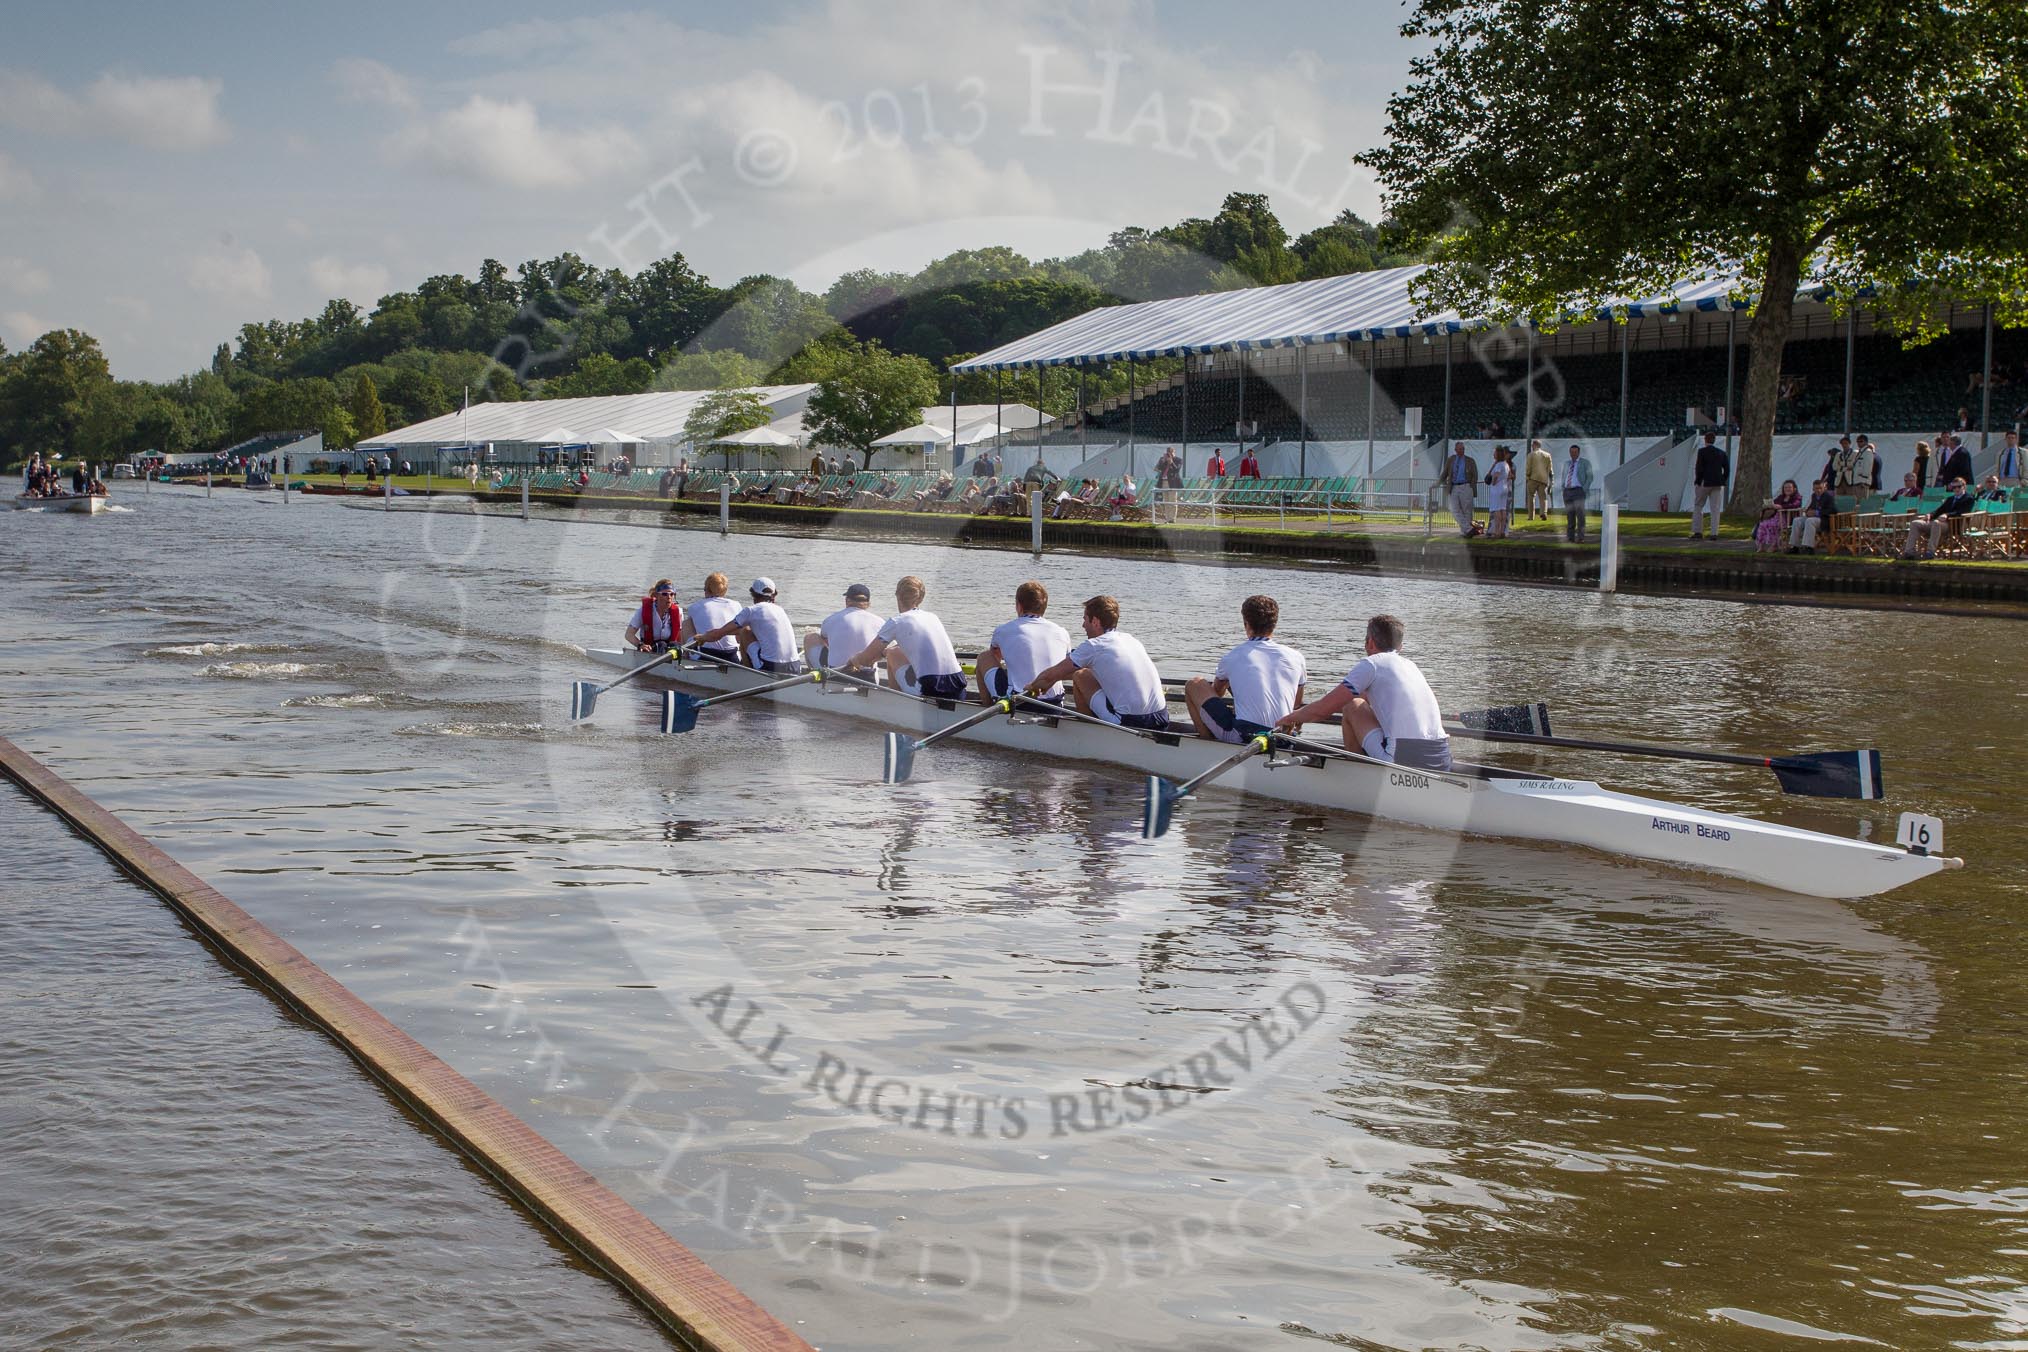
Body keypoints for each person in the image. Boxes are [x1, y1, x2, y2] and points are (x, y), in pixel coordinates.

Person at [1276, 614, 1451, 771]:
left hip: (1402, 759)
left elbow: (1324, 709)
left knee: (1351, 706)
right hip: (1442, 756)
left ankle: (1355, 772)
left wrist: (1291, 718)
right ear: (1400, 646)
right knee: (1360, 703)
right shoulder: (1411, 666)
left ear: (1370, 642)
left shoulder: (1371, 664)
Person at [1023, 595, 1169, 729]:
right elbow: (1059, 675)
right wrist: (1049, 680)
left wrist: (1033, 686)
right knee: (1085, 673)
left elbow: (1052, 675)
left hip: (1131, 722)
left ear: (1095, 622)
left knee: (1080, 676)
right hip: (1162, 717)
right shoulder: (1131, 640)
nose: (1083, 625)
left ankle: (1087, 731)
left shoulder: (1094, 646)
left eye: (1085, 619)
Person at [1185, 595, 1305, 743]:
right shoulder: (1296, 657)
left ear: (1246, 624)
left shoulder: (1232, 656)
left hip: (1246, 736)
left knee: (1194, 684)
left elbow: (1216, 693)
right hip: (1282, 736)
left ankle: (1205, 743)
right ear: (1274, 624)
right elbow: (1296, 702)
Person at [845, 575, 965, 699]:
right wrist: (881, 653)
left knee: (892, 653)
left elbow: (865, 659)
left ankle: (896, 702)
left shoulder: (896, 622)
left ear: (897, 596)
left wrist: (854, 660)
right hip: (958, 685)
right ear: (921, 598)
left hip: (931, 689)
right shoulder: (932, 617)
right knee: (894, 650)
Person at [975, 580, 1072, 705]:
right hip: (1055, 704)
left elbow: (996, 658)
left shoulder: (1002, 630)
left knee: (984, 657)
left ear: (1019, 606)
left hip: (1019, 703)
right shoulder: (1062, 632)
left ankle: (987, 710)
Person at [805, 581, 884, 668]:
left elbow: (826, 641)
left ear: (847, 601)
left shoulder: (830, 619)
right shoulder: (880, 622)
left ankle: (814, 676)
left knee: (810, 637)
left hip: (835, 675)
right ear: (868, 604)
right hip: (867, 677)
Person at [679, 572, 749, 667]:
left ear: (707, 589)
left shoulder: (694, 606)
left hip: (706, 656)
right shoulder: (736, 605)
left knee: (686, 623)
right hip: (732, 657)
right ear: (724, 590)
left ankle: (684, 657)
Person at [1903, 478, 1976, 558]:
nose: (1956, 489)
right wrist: (1930, 515)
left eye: (1959, 487)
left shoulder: (1969, 498)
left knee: (1936, 523)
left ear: (1964, 487)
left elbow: (1962, 512)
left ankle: (1930, 551)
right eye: (1954, 487)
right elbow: (1939, 510)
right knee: (1915, 523)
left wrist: (1947, 515)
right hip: (1940, 523)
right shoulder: (1950, 499)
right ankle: (1909, 551)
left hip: (1955, 524)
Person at [1689, 430, 1730, 538]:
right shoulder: (1721, 453)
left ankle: (1698, 531)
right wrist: (1722, 479)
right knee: (1715, 508)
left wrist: (1698, 481)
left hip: (1705, 481)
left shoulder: (1702, 452)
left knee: (1698, 505)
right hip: (1717, 483)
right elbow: (1727, 469)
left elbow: (1699, 468)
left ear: (1705, 440)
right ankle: (1714, 533)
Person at [625, 579, 683, 652]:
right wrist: (640, 645)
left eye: (672, 594)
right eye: (665, 594)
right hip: (649, 649)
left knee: (672, 645)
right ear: (656, 595)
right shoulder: (643, 610)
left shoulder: (678, 612)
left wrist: (684, 653)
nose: (669, 597)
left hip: (669, 650)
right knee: (661, 645)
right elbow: (628, 635)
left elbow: (680, 638)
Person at [1440, 441, 1480, 537]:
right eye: (1460, 449)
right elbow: (1444, 473)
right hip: (1454, 486)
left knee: (1467, 510)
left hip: (1466, 485)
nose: (1462, 450)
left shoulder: (1470, 460)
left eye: (1463, 449)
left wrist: (1471, 486)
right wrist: (1440, 483)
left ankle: (1465, 532)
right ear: (1455, 450)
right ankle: (1469, 529)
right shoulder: (1451, 460)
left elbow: (1475, 475)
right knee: (1454, 509)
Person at [1788, 479, 1837, 552]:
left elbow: (1833, 510)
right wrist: (1808, 512)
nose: (1819, 490)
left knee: (1809, 521)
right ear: (1813, 489)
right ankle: (1795, 546)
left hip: (1825, 520)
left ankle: (1808, 547)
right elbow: (1811, 507)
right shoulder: (1814, 496)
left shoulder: (1828, 497)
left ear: (1824, 488)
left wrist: (1817, 513)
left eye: (1820, 488)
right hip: (1813, 519)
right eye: (1816, 488)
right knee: (1797, 520)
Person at [1560, 445, 1593, 542]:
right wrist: (1563, 488)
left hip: (1578, 490)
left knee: (1580, 515)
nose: (1573, 454)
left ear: (1578, 452)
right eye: (1571, 452)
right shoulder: (1567, 463)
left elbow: (1590, 477)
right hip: (1568, 491)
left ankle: (1581, 537)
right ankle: (1570, 538)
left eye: (1575, 452)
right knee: (1570, 515)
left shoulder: (1584, 463)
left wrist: (1584, 489)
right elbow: (1564, 476)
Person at [1483, 446, 1514, 538]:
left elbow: (1495, 476)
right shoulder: (1506, 464)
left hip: (1497, 489)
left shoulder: (1498, 465)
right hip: (1504, 487)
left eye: (1495, 453)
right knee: (1503, 509)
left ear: (1498, 454)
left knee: (1497, 510)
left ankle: (1497, 531)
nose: (1493, 454)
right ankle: (1502, 531)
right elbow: (1509, 476)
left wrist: (1493, 482)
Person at [1523, 439, 1553, 520]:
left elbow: (1528, 468)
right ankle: (1544, 512)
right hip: (1543, 479)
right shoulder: (1547, 455)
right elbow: (1550, 469)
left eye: (1532, 445)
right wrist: (1550, 480)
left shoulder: (1531, 455)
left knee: (1531, 497)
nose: (1532, 446)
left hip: (1532, 478)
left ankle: (1531, 516)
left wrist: (1527, 476)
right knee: (1543, 497)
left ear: (1535, 445)